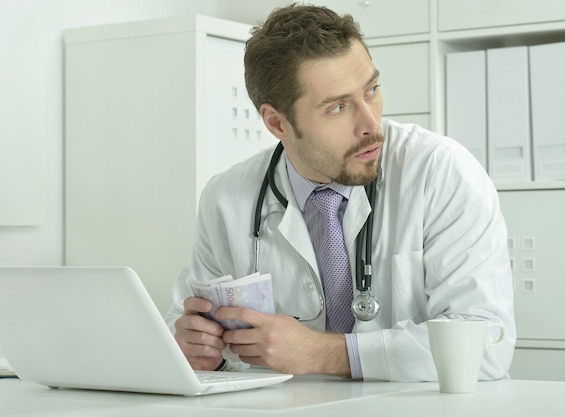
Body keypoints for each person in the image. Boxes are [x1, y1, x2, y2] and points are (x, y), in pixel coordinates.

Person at [164, 3, 515, 382]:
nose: (370, 123)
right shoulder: (226, 198)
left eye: (372, 90)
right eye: (338, 107)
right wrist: (197, 351)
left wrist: (324, 353)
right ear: (277, 122)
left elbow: (483, 349)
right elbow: (183, 330)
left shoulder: (440, 171)